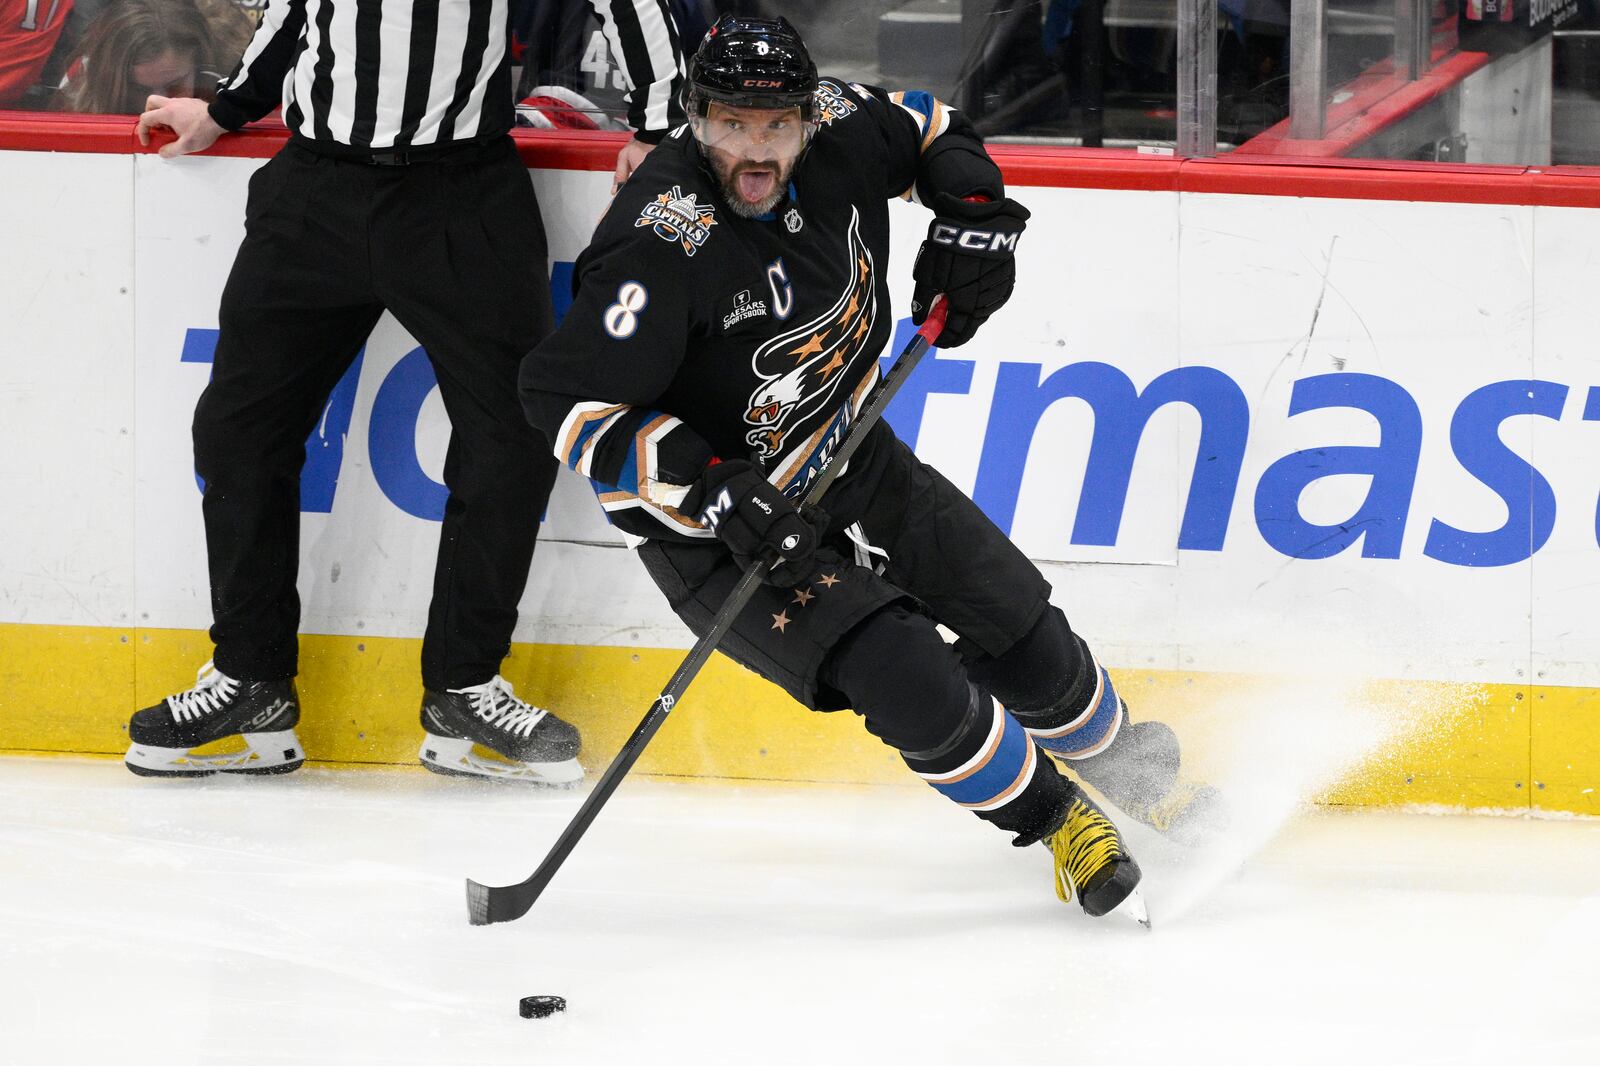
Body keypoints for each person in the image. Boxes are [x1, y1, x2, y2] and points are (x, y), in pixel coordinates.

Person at [518, 15, 1223, 919]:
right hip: (721, 531)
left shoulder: (844, 127)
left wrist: (973, 213)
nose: (756, 148)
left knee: (1022, 633)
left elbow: (931, 126)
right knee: (908, 677)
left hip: (850, 455)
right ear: (693, 117)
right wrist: (711, 483)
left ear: (810, 118)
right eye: (732, 123)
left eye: (776, 125)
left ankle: (1130, 765)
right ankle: (1060, 822)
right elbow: (564, 402)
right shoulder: (657, 241)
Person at [121, 0, 685, 784]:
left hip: (460, 193)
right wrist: (227, 109)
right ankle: (250, 681)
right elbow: (294, 12)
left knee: (510, 435)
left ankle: (464, 686)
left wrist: (660, 124)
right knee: (238, 431)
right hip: (315, 189)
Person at [55, 0, 252, 114]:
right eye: (139, 89)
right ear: (110, 82)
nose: (157, 103)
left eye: (174, 84)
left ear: (201, 66)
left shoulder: (245, 75)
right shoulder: (83, 84)